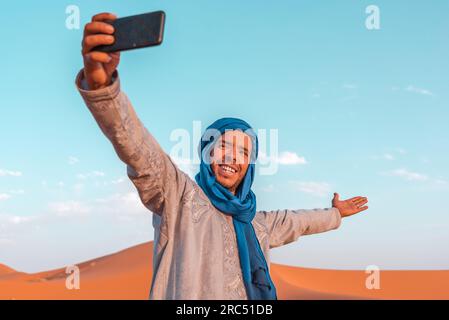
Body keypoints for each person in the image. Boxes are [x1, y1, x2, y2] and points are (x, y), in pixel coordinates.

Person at [76, 12, 369, 300]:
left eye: (243, 151)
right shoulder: (179, 199)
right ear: (207, 152)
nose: (232, 157)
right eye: (223, 146)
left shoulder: (257, 223)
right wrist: (103, 89)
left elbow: (300, 222)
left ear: (250, 165)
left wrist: (335, 213)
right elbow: (137, 149)